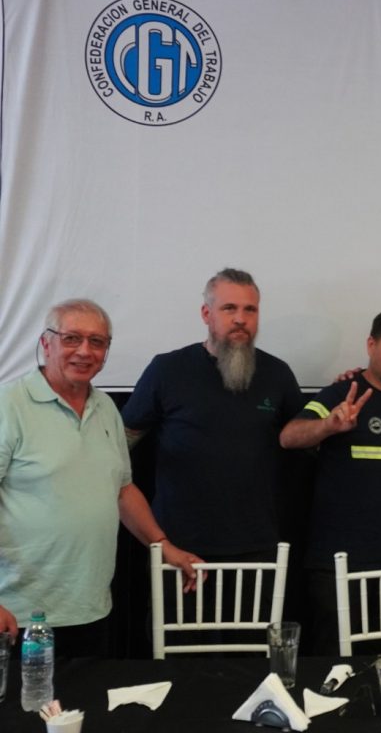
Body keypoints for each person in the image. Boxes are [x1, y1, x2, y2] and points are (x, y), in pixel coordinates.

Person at [0, 299, 200, 657]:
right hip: (17, 614)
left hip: (90, 608)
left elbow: (122, 489)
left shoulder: (106, 408)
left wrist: (162, 544)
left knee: (89, 696)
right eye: (71, 338)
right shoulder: (8, 405)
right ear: (46, 343)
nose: (84, 351)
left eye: (97, 342)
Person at [280, 307, 381, 654]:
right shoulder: (342, 394)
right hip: (337, 564)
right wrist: (328, 426)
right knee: (334, 668)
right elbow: (288, 437)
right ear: (371, 345)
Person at [122, 268, 304, 561]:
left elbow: (304, 437)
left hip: (257, 544)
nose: (240, 319)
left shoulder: (278, 374)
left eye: (250, 309)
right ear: (206, 314)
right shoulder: (167, 370)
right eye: (229, 308)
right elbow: (121, 444)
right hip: (178, 546)